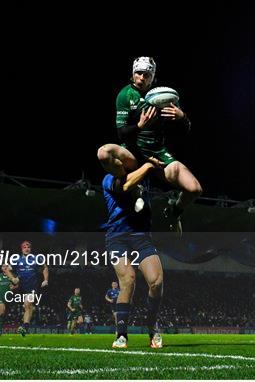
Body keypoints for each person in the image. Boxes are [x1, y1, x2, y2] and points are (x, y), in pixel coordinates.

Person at [97, 56, 202, 235]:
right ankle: (132, 187)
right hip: (133, 153)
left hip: (158, 153)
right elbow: (121, 133)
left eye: (146, 74)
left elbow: (186, 131)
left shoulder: (164, 96)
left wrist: (181, 116)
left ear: (153, 76)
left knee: (194, 189)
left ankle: (174, 212)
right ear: (133, 74)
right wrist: (139, 126)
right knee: (104, 152)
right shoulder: (125, 95)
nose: (142, 77)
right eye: (138, 73)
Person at [102, 161, 164, 349]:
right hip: (117, 237)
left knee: (156, 281)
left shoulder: (144, 180)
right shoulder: (109, 179)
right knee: (128, 279)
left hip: (141, 237)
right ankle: (122, 334)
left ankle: (152, 326)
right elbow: (126, 185)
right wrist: (147, 166)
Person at [13, 240, 48, 337]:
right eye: (24, 247)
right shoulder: (17, 259)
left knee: (28, 305)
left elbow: (45, 267)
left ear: (31, 249)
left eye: (28, 247)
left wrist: (45, 280)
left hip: (32, 287)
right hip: (20, 287)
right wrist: (13, 278)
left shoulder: (36, 258)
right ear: (21, 249)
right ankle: (26, 328)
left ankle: (24, 327)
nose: (26, 248)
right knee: (27, 307)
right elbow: (7, 269)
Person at [0, 264, 19, 336]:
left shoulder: (12, 276)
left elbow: (18, 284)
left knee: (5, 315)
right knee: (1, 312)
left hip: (10, 298)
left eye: (7, 266)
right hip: (0, 297)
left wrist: (14, 287)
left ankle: (2, 328)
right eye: (3, 266)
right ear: (1, 268)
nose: (5, 267)